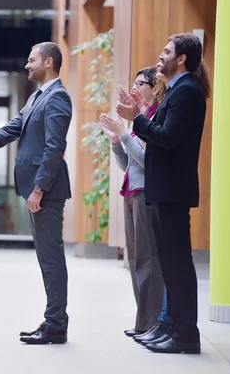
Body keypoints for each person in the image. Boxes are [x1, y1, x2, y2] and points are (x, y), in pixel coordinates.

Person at [0, 42, 72, 345]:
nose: (26, 65)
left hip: (45, 190)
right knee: (46, 257)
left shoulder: (58, 96)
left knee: (51, 258)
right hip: (37, 189)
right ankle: (54, 322)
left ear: (48, 63)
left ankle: (56, 325)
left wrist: (39, 188)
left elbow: (54, 148)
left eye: (31, 60)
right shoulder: (37, 96)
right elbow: (12, 129)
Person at [116, 33, 210, 354]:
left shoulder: (187, 92)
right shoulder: (177, 90)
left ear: (181, 59)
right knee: (171, 265)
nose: (161, 55)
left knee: (178, 265)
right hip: (164, 188)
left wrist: (137, 119)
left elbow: (167, 137)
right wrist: (142, 115)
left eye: (167, 51)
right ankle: (170, 327)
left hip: (172, 190)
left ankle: (185, 335)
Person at [98, 66, 165, 337]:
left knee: (148, 261)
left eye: (142, 83)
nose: (136, 88)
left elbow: (149, 163)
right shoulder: (142, 119)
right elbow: (128, 163)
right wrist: (116, 141)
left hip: (146, 193)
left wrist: (124, 134)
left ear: (155, 88)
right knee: (136, 259)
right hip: (131, 191)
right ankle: (144, 322)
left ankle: (151, 324)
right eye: (135, 82)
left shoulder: (154, 118)